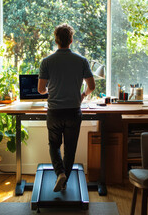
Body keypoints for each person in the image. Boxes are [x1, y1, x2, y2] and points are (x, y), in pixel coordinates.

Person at [38, 23, 95, 192]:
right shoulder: (81, 61)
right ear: (71, 40)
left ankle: (60, 173)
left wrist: (52, 90)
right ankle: (65, 180)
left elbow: (41, 89)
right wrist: (82, 95)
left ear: (56, 40)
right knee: (70, 149)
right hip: (73, 111)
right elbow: (91, 86)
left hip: (54, 112)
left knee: (54, 145)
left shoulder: (46, 61)